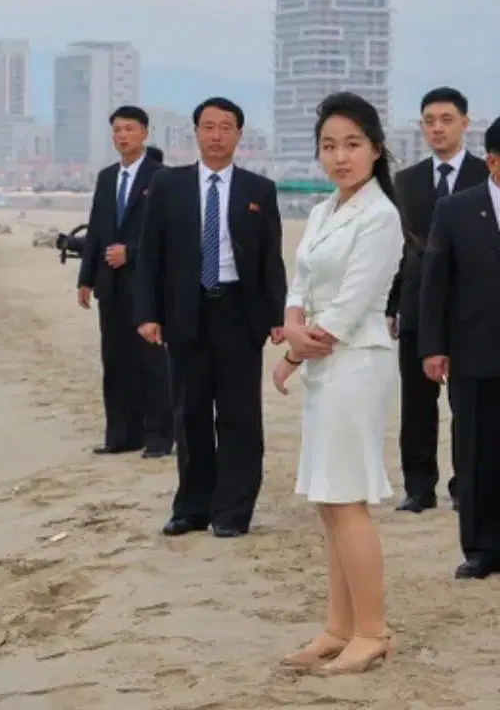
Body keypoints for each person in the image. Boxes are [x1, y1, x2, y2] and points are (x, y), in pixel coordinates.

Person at [273, 92, 400, 675]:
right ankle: (338, 627)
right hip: (325, 366)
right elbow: (300, 281)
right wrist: (293, 325)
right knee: (328, 499)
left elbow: (348, 308)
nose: (340, 156)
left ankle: (372, 632)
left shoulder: (381, 216)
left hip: (356, 362)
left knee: (347, 498)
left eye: (352, 144)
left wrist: (293, 352)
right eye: (329, 146)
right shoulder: (326, 209)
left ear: (376, 149)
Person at [134, 97, 287, 538]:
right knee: (190, 412)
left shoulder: (259, 189)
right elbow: (150, 253)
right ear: (196, 132)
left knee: (239, 416)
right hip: (185, 310)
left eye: (225, 127)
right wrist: (147, 313)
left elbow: (270, 257)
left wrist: (276, 314)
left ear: (239, 134)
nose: (216, 135)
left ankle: (233, 512)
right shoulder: (168, 184)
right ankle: (192, 507)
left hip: (239, 311)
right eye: (208, 126)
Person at [387, 87, 489, 513]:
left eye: (446, 120)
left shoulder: (486, 173)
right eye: (429, 121)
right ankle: (419, 487)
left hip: (472, 307)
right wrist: (393, 303)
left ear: (465, 123)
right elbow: (403, 249)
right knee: (416, 402)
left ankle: (466, 485)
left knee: (470, 405)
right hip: (417, 302)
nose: (437, 128)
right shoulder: (406, 181)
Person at [419, 117, 500, 580]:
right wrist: (434, 347)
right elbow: (435, 285)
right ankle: (482, 548)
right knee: (476, 452)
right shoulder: (455, 211)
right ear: (492, 162)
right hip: (474, 352)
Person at [77, 106, 173, 459]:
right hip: (110, 284)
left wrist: (130, 253)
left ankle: (159, 438)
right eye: (117, 130)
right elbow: (96, 229)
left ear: (144, 133)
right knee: (116, 361)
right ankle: (121, 435)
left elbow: (168, 233)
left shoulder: (161, 177)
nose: (122, 136)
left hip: (147, 283)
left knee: (152, 362)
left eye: (129, 129)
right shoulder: (106, 178)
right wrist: (86, 278)